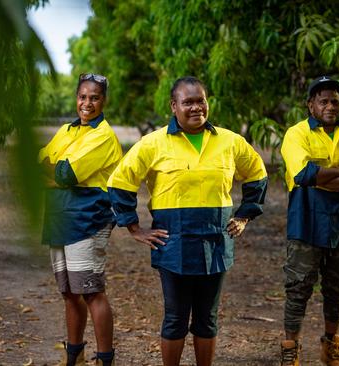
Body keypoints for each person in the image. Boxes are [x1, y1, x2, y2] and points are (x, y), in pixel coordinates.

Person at [107, 76, 268, 366]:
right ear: (173, 106)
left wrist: (244, 216)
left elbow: (257, 173)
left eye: (201, 100)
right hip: (173, 243)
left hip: (216, 241)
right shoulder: (153, 144)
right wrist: (133, 227)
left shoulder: (230, 141)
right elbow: (121, 180)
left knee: (207, 318)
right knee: (175, 318)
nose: (196, 107)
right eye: (188, 102)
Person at [278, 76, 339, 366]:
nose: (330, 105)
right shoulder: (296, 134)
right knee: (298, 286)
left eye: (335, 100)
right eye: (324, 100)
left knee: (337, 288)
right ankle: (290, 348)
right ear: (311, 105)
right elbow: (303, 175)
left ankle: (331, 347)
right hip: (306, 220)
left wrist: (323, 175)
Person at [38, 73, 123, 366]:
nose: (87, 103)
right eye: (83, 97)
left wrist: (56, 171)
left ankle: (105, 359)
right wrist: (53, 170)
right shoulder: (67, 129)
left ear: (104, 101)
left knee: (91, 292)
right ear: (76, 98)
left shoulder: (103, 136)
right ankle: (74, 355)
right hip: (59, 216)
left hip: (88, 219)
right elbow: (41, 162)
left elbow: (65, 174)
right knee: (69, 293)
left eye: (95, 97)